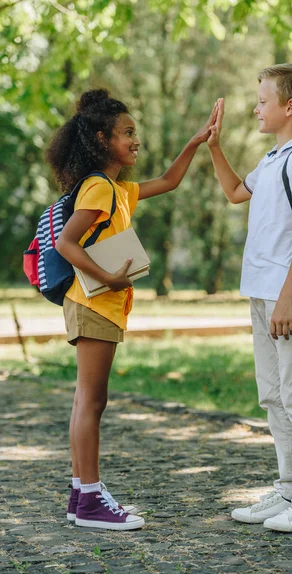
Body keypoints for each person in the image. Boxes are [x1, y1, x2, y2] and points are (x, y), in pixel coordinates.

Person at [46, 88, 217, 531]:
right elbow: (66, 242)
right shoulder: (99, 188)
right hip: (94, 302)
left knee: (88, 399)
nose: (135, 139)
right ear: (102, 140)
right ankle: (90, 499)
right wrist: (109, 278)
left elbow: (169, 181)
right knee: (92, 400)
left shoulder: (118, 190)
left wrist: (195, 142)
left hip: (99, 304)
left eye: (135, 132)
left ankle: (80, 493)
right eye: (127, 133)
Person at [207, 64, 292, 533]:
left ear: (290, 107)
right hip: (261, 293)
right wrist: (215, 148)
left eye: (263, 100)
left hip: (288, 295)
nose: (256, 107)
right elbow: (235, 192)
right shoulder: (274, 157)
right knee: (274, 398)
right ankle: (289, 490)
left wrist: (285, 300)